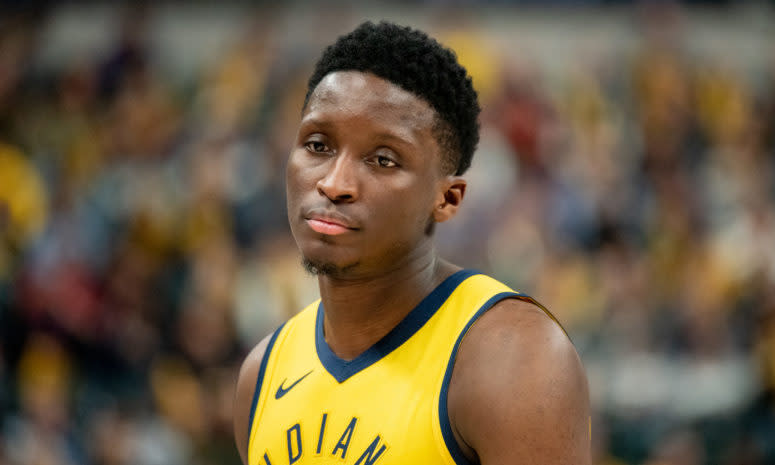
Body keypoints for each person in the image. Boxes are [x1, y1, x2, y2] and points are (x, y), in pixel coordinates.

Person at [233, 21, 590, 465]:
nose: (334, 183)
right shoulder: (261, 374)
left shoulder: (512, 358)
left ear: (447, 198)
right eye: (318, 145)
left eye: (383, 159)